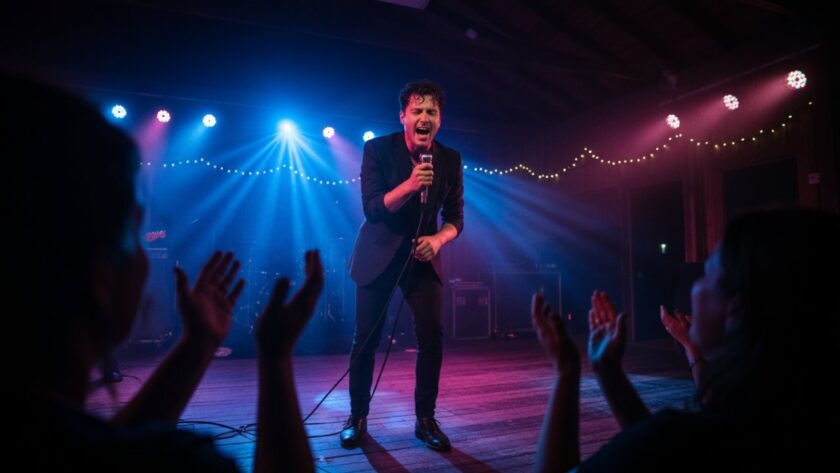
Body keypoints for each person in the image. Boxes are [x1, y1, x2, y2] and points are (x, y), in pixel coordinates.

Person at [7, 73, 322, 472]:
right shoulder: (182, 462)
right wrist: (275, 359)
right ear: (101, 275)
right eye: (134, 234)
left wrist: (198, 343)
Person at [532, 209, 839, 472]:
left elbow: (667, 448)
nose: (694, 287)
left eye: (706, 274)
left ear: (734, 310)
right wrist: (610, 372)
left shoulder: (682, 439)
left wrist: (566, 371)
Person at [342, 80, 464, 451]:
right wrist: (411, 184)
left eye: (432, 112)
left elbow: (455, 217)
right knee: (366, 339)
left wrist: (438, 239)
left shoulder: (449, 159)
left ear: (439, 120)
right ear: (404, 116)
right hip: (378, 252)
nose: (424, 117)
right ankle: (358, 416)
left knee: (432, 336)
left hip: (421, 255)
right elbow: (373, 208)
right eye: (418, 111)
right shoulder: (377, 149)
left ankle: (425, 419)